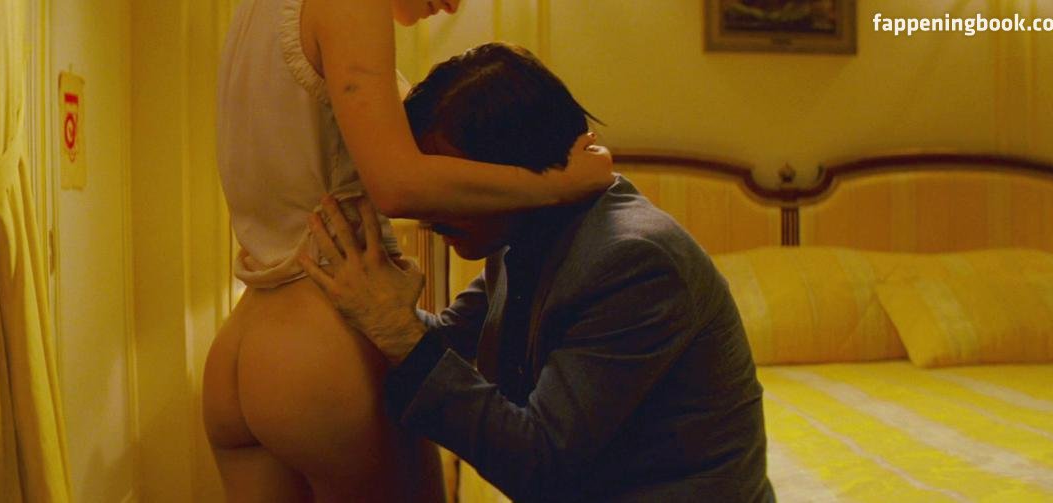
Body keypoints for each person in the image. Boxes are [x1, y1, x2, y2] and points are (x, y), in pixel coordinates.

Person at [300, 43, 776, 502]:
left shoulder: (633, 261)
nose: (429, 207)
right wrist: (368, 304)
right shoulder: (527, 232)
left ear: (517, 170)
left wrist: (396, 329)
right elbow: (448, 345)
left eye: (454, 181)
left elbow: (538, 462)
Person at [204, 0, 614, 501]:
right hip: (324, 347)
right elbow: (397, 184)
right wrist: (560, 183)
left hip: (241, 346)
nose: (454, 4)